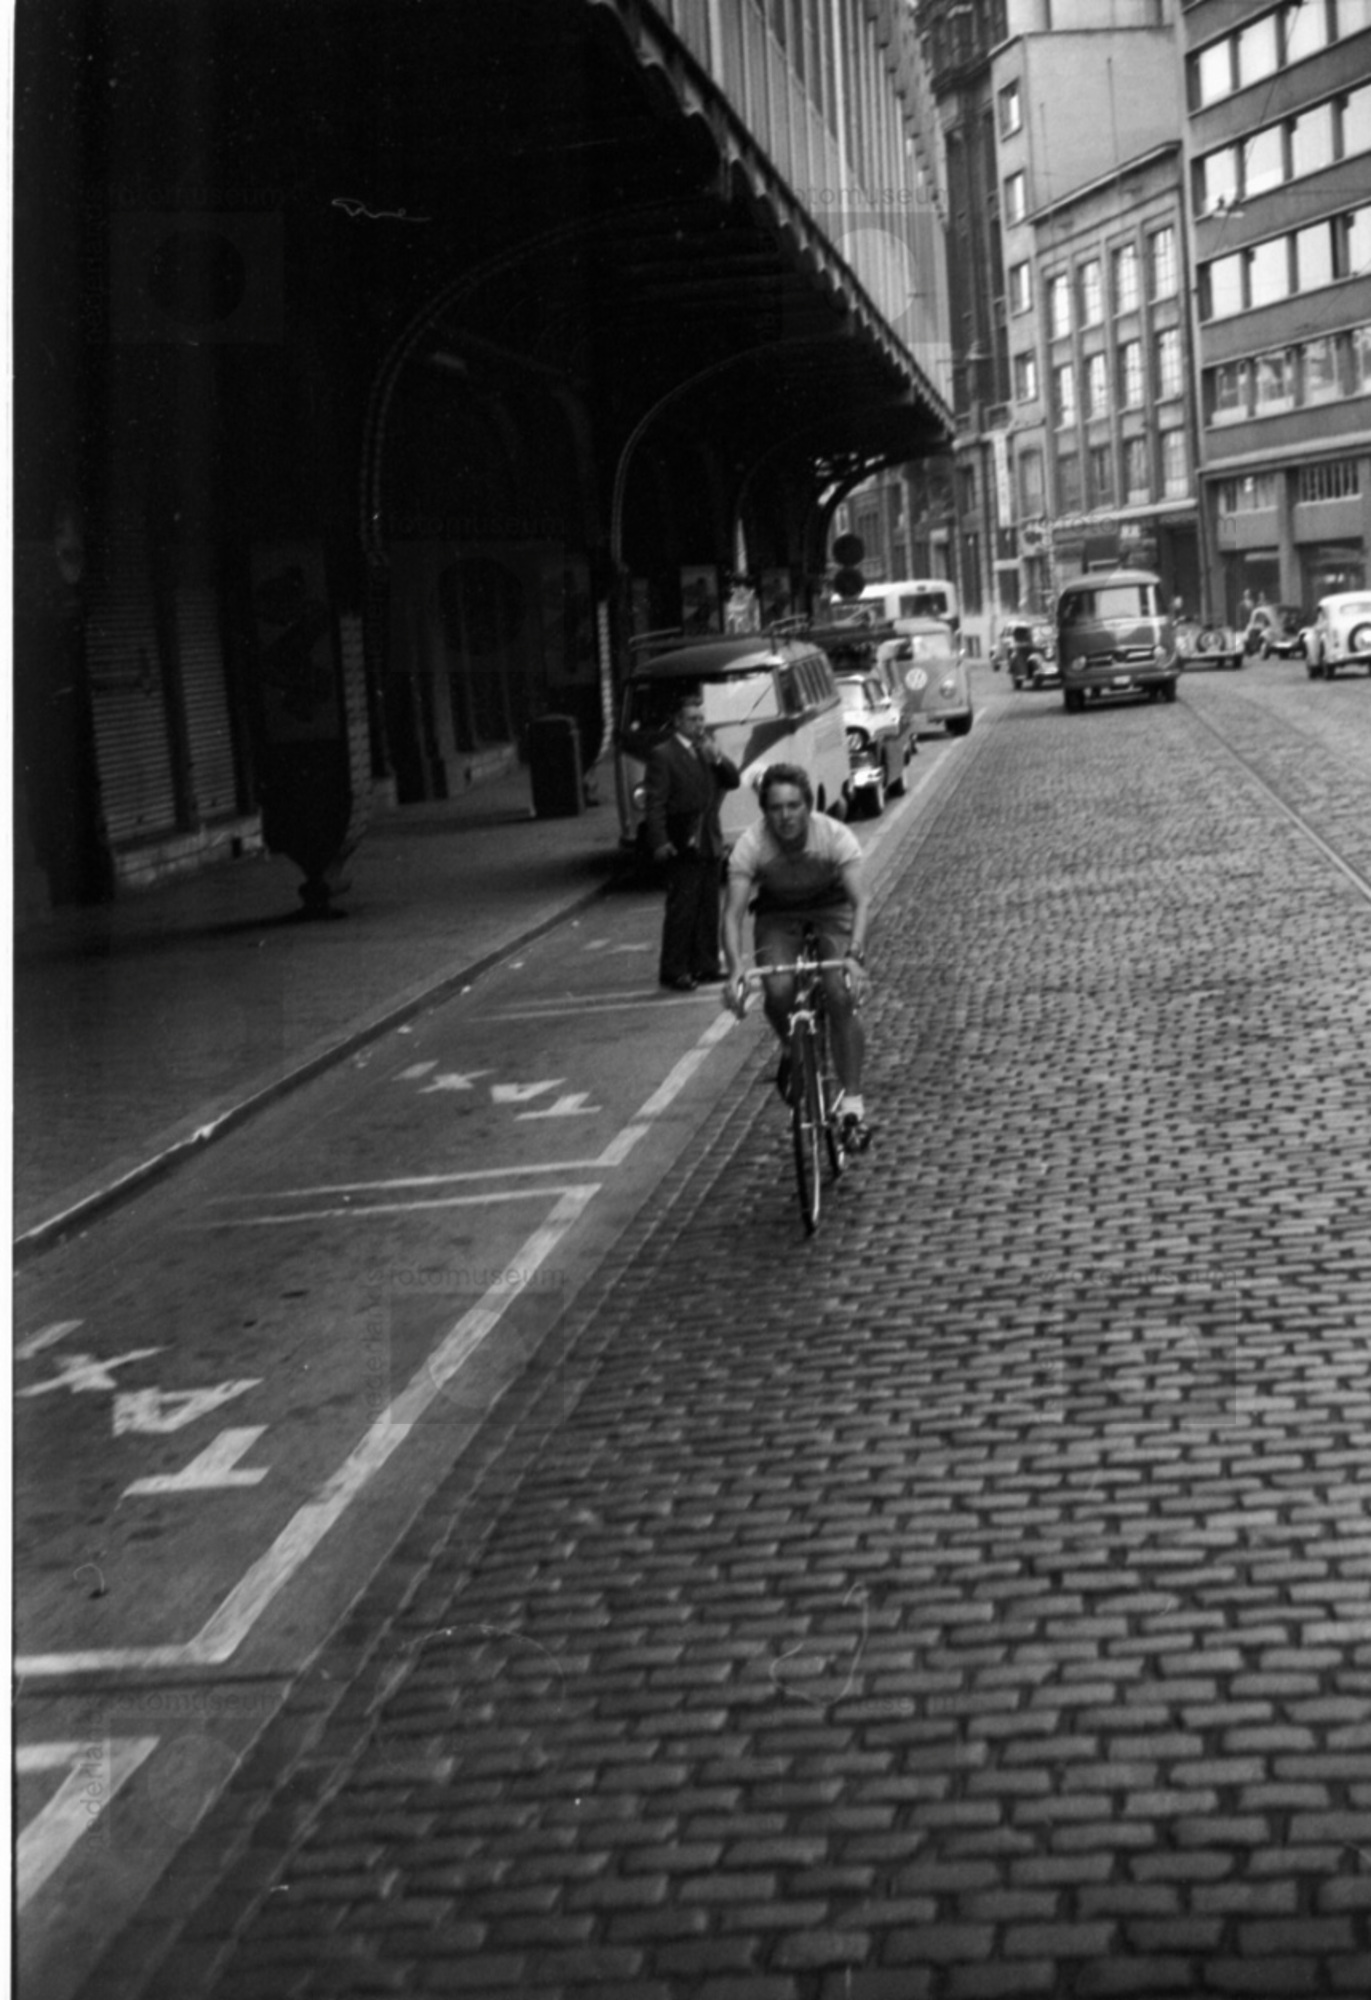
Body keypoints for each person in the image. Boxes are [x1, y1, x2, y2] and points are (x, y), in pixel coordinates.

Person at [722, 762, 873, 1150]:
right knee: (777, 989)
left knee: (839, 993)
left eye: (793, 806)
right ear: (764, 812)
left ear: (809, 806)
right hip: (778, 914)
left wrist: (854, 955)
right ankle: (793, 1047)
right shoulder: (751, 845)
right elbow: (732, 914)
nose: (785, 816)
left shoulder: (834, 836)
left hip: (832, 909)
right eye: (775, 808)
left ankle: (852, 1104)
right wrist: (736, 968)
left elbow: (860, 901)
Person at [644, 687, 740, 991]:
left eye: (701, 718)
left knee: (708, 907)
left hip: (709, 839)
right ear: (678, 722)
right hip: (682, 839)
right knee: (682, 909)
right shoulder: (663, 755)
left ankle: (706, 964)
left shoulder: (706, 750)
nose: (699, 725)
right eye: (692, 719)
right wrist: (659, 840)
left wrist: (718, 758)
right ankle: (674, 969)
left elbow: (733, 780)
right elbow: (655, 802)